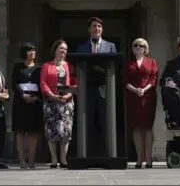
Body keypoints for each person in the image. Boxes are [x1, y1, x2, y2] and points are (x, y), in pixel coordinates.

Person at [76, 17, 116, 156]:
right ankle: (87, 153)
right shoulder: (81, 47)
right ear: (89, 29)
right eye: (94, 26)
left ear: (102, 29)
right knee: (88, 122)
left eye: (99, 26)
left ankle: (107, 154)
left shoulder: (110, 46)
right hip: (87, 88)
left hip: (105, 88)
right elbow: (79, 66)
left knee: (106, 122)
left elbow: (115, 66)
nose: (96, 28)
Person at [124, 38, 158, 168]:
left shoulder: (152, 62)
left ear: (145, 48)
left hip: (148, 97)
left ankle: (148, 159)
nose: (138, 48)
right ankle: (139, 159)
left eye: (141, 46)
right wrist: (135, 90)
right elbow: (125, 81)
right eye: (136, 46)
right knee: (137, 127)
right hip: (133, 98)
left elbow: (154, 78)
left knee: (148, 127)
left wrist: (144, 89)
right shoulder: (129, 64)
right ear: (133, 49)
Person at [40, 40, 74, 169]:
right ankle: (54, 159)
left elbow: (75, 82)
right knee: (52, 131)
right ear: (54, 50)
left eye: (65, 49)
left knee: (65, 131)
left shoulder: (69, 66)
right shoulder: (46, 66)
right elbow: (43, 83)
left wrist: (68, 95)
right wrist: (51, 95)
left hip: (66, 102)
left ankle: (64, 159)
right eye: (61, 48)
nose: (63, 51)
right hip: (51, 101)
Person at [11, 43, 43, 169]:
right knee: (20, 131)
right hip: (21, 102)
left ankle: (31, 159)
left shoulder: (39, 68)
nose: (32, 53)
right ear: (24, 53)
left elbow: (42, 84)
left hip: (35, 102)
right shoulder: (17, 67)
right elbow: (14, 83)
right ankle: (22, 160)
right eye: (30, 51)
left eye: (34, 51)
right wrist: (22, 95)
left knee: (33, 132)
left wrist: (37, 96)